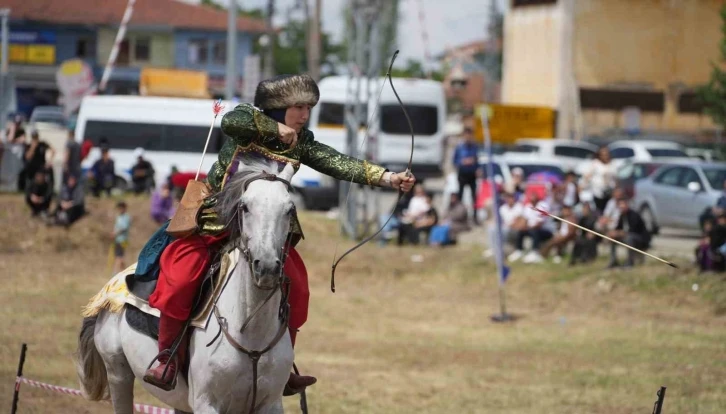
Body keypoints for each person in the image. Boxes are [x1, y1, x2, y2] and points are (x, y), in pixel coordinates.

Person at [141, 74, 416, 392]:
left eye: (308, 108)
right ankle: (167, 358)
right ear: (278, 107)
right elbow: (231, 121)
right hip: (217, 222)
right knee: (182, 277)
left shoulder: (303, 141)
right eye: (298, 107)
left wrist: (387, 178)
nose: (304, 115)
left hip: (267, 232)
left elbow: (338, 163)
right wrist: (275, 129)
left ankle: (282, 367)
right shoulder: (249, 119)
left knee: (297, 286)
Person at [508, 192, 554, 264]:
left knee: (535, 231)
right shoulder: (528, 206)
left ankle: (535, 252)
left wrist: (528, 227)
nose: (532, 198)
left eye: (534, 196)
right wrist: (522, 227)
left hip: (546, 231)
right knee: (521, 231)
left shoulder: (543, 205)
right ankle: (519, 251)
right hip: (531, 229)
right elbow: (524, 221)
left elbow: (540, 224)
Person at [607, 198, 651, 268]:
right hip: (628, 237)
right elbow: (618, 228)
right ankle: (613, 261)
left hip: (640, 239)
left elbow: (631, 231)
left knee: (630, 238)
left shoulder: (634, 215)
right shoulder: (622, 216)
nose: (621, 208)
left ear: (627, 205)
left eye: (623, 205)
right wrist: (613, 233)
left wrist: (619, 233)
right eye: (620, 206)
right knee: (613, 238)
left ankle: (630, 262)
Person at [452, 127, 480, 223]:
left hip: (472, 174)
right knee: (460, 195)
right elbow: (454, 161)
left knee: (474, 196)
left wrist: (475, 164)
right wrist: (462, 162)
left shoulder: (474, 147)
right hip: (462, 173)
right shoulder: (459, 147)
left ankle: (475, 217)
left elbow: (477, 159)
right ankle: (460, 216)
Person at [581, 146, 616, 212]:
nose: (605, 156)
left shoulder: (612, 164)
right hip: (597, 193)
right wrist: (583, 185)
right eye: (603, 154)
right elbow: (587, 176)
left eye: (606, 154)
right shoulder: (595, 164)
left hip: (610, 193)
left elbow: (615, 178)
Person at [570, 201, 599, 265]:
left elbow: (597, 228)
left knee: (588, 241)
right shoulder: (582, 218)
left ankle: (586, 258)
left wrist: (593, 233)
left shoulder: (593, 218)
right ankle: (574, 258)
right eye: (583, 209)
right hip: (584, 236)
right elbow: (579, 228)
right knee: (578, 241)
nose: (584, 211)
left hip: (593, 237)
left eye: (585, 209)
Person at [113, 201, 132, 274]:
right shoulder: (119, 217)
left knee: (119, 256)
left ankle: (115, 272)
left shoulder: (126, 217)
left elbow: (124, 227)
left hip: (123, 240)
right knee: (120, 256)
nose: (120, 209)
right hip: (117, 239)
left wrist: (115, 233)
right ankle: (124, 271)